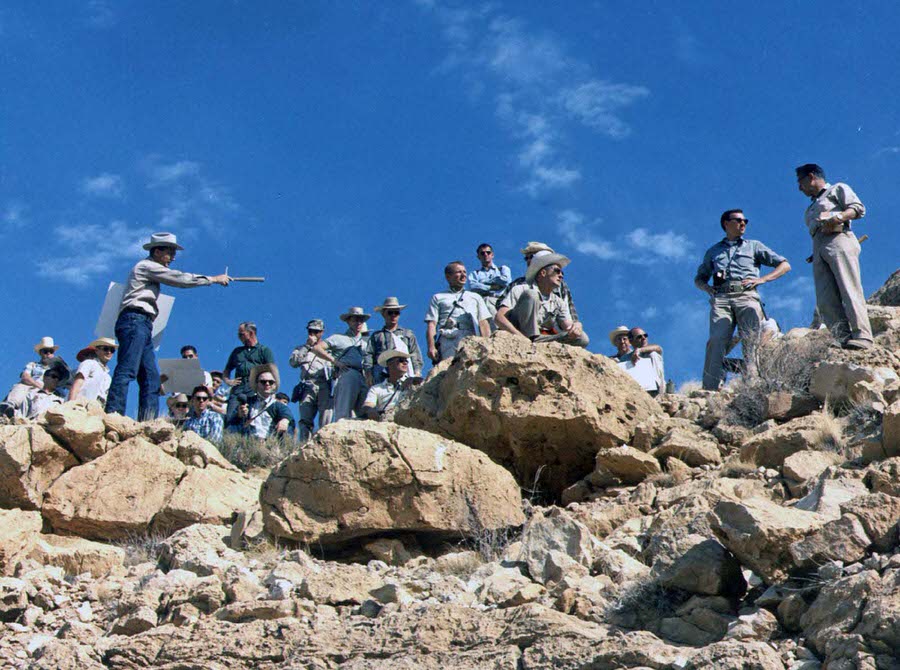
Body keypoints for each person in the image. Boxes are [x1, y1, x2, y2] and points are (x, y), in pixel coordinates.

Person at [106, 232, 230, 420]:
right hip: (135, 320)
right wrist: (212, 279)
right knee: (128, 369)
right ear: (157, 251)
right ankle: (113, 414)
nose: (173, 257)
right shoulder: (147, 266)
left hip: (141, 323)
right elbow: (180, 279)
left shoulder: (148, 268)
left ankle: (148, 422)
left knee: (150, 379)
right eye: (170, 252)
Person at [694, 209, 791, 390]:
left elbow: (785, 265)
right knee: (716, 340)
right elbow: (699, 278)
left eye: (745, 221)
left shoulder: (754, 246)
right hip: (722, 299)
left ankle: (752, 384)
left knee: (751, 339)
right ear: (726, 224)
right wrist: (707, 289)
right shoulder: (713, 251)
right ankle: (709, 388)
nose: (743, 223)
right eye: (738, 220)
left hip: (747, 296)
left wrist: (762, 279)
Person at [796, 163, 872, 350]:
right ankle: (842, 338)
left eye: (800, 182)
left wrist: (838, 217)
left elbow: (858, 208)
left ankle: (863, 336)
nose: (799, 188)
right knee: (825, 298)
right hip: (819, 247)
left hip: (839, 238)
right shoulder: (810, 208)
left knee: (849, 288)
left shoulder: (837, 189)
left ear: (811, 177)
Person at [494, 250, 589, 347]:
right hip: (516, 334)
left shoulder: (558, 302)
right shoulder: (520, 289)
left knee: (582, 338)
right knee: (531, 294)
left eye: (562, 273)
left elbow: (568, 326)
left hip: (539, 339)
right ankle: (532, 340)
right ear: (543, 273)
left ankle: (537, 343)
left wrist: (577, 326)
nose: (561, 275)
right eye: (557, 271)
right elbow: (499, 318)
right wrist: (520, 338)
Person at [425, 261, 491, 363]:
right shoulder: (438, 297)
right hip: (448, 339)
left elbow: (483, 322)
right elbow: (432, 324)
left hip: (471, 337)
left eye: (464, 272)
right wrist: (431, 346)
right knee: (449, 367)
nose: (463, 275)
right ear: (448, 277)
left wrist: (487, 343)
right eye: (459, 272)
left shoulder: (475, 297)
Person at [313, 307, 370, 422]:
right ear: (348, 321)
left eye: (361, 320)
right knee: (343, 412)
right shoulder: (338, 338)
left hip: (363, 375)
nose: (358, 322)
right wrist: (335, 361)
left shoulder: (366, 341)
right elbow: (317, 348)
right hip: (348, 373)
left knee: (365, 413)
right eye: (355, 319)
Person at [499, 242, 579, 321]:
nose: (528, 260)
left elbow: (570, 309)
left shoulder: (561, 285)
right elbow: (501, 305)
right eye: (526, 258)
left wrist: (575, 323)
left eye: (532, 256)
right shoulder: (517, 284)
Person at [289, 318, 333, 440]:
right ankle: (304, 444)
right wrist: (307, 346)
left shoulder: (329, 350)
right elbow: (293, 362)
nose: (313, 334)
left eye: (316, 331)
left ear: (322, 332)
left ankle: (324, 443)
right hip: (308, 384)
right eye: (310, 331)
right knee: (305, 419)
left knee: (326, 419)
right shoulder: (300, 348)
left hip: (325, 384)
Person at [223, 322, 275, 422]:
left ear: (251, 333)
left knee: (252, 419)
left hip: (255, 389)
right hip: (238, 389)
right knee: (230, 418)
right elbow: (227, 370)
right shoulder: (237, 351)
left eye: (241, 334)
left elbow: (272, 372)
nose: (239, 337)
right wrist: (228, 381)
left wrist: (271, 391)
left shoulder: (264, 350)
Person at [226, 364, 295, 439]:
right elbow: (231, 423)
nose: (267, 384)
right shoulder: (248, 402)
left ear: (274, 385)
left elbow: (287, 414)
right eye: (263, 382)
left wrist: (285, 420)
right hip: (248, 442)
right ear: (256, 384)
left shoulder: (278, 405)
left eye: (271, 382)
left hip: (269, 443)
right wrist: (239, 415)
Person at [365, 297, 424, 384]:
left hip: (404, 373)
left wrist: (417, 372)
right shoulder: (376, 336)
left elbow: (415, 354)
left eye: (396, 312)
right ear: (383, 314)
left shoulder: (408, 334)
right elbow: (369, 355)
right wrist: (368, 374)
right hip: (381, 374)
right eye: (390, 313)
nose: (393, 315)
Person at [2, 337, 63, 418]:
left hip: (47, 389)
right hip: (30, 385)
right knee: (20, 386)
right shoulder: (33, 365)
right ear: (41, 353)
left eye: (51, 351)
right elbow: (25, 376)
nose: (48, 354)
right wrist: (38, 385)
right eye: (45, 351)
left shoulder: (56, 369)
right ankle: (9, 406)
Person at [363, 350, 420, 421]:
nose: (405, 363)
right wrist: (371, 411)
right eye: (401, 360)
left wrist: (415, 380)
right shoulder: (376, 389)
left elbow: (427, 384)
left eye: (406, 361)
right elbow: (368, 405)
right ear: (390, 364)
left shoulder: (413, 383)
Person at [69, 338, 118, 404]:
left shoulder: (108, 377)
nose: (109, 352)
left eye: (112, 350)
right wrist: (71, 403)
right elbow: (78, 383)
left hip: (96, 407)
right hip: (81, 404)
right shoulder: (89, 363)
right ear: (97, 350)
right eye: (105, 349)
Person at [468, 243, 512, 316]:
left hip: (501, 301)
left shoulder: (503, 269)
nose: (485, 254)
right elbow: (472, 287)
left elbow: (506, 281)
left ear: (492, 255)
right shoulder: (475, 274)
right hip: (483, 302)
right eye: (482, 253)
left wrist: (483, 282)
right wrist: (491, 287)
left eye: (488, 252)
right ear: (478, 257)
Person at [627, 327, 665, 396]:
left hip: (657, 390)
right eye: (639, 337)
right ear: (631, 341)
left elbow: (658, 348)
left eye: (645, 335)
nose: (643, 338)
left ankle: (656, 388)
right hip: (637, 390)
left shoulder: (652, 350)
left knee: (653, 354)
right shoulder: (627, 357)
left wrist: (639, 350)